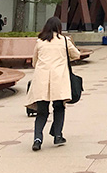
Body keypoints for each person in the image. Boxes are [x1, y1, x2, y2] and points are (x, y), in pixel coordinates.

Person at [27, 17, 81, 151]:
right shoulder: (64, 40)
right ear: (58, 28)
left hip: (42, 80)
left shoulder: (40, 42)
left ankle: (37, 139)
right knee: (59, 107)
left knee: (42, 112)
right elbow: (77, 55)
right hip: (59, 79)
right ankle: (57, 135)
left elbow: (34, 62)